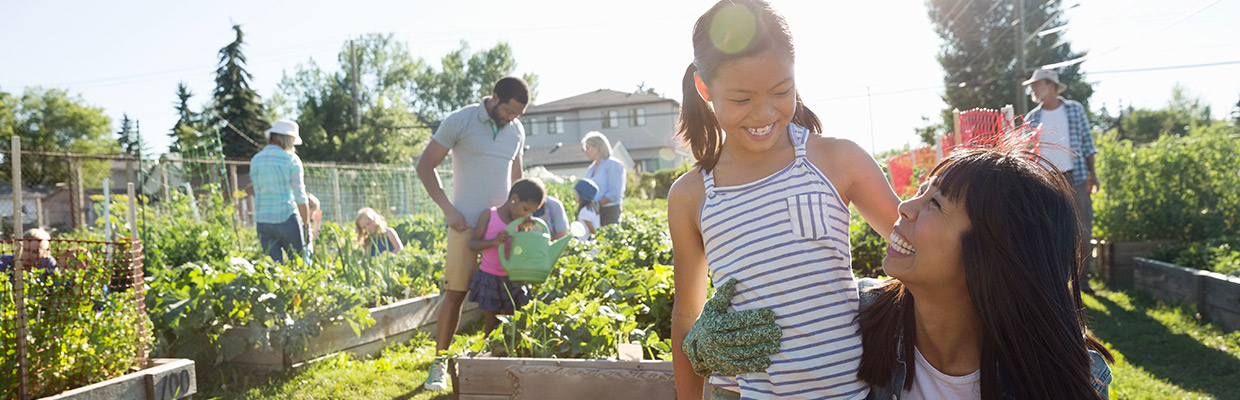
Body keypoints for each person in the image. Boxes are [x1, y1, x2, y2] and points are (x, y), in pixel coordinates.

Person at [688, 146, 1115, 399]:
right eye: (922, 190)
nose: (905, 206)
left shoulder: (1068, 379)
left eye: (936, 203)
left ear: (995, 254)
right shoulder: (849, 319)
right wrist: (707, 348)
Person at [668, 0, 901, 398]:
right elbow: (687, 313)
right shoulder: (691, 195)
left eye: (781, 91)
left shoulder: (836, 160)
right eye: (741, 99)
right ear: (705, 89)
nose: (763, 113)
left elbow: (920, 249)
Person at [415, 76, 530, 391]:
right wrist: (449, 211)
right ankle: (439, 364)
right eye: (508, 110)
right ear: (494, 98)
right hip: (464, 225)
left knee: (505, 296)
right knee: (455, 294)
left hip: (503, 231)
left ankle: (493, 361)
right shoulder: (461, 120)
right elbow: (425, 165)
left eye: (517, 114)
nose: (511, 118)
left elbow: (517, 180)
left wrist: (520, 218)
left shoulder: (516, 131)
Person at [1022, 68, 1099, 294]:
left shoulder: (1074, 110)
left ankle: (1083, 282)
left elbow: (1087, 144)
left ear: (1052, 86)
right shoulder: (1032, 118)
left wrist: (1093, 175)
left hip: (1075, 177)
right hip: (1046, 182)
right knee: (1052, 232)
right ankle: (1058, 283)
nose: (1034, 89)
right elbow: (1027, 154)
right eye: (1033, 86)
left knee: (1083, 231)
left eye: (1038, 85)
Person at [467, 178, 545, 336]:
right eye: (525, 209)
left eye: (530, 212)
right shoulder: (489, 215)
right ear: (514, 199)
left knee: (510, 321)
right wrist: (493, 242)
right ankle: (487, 354)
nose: (526, 214)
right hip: (490, 277)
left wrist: (523, 229)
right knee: (491, 322)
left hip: (512, 277)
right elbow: (472, 244)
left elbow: (521, 249)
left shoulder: (519, 222)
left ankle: (506, 354)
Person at [250, 119, 311, 263]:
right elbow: (300, 196)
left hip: (263, 221)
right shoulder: (291, 160)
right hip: (287, 218)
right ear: (289, 139)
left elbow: (257, 190)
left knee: (274, 269)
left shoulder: (256, 160)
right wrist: (307, 225)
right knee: (299, 264)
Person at [581, 131, 627, 227]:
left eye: (587, 148)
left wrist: (597, 204)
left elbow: (615, 192)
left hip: (609, 211)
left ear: (597, 147)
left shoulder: (613, 165)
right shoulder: (591, 168)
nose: (585, 151)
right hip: (593, 212)